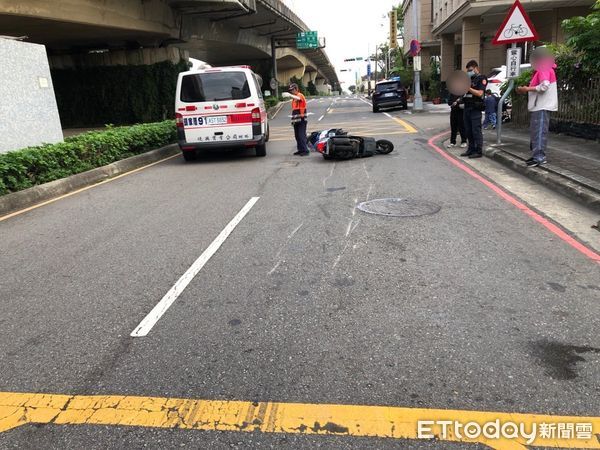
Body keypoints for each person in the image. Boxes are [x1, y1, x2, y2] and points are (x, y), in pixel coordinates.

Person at [516, 47, 558, 167]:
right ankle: (536, 155)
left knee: (539, 132)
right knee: (536, 131)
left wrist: (526, 89)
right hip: (539, 106)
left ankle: (539, 157)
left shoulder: (544, 68)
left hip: (542, 106)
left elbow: (544, 86)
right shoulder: (544, 68)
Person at [460, 60, 487, 159]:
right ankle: (471, 149)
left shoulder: (481, 78)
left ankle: (478, 150)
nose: (469, 72)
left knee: (476, 130)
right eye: (468, 71)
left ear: (476, 68)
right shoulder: (470, 79)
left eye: (470, 70)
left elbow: (480, 93)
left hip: (475, 108)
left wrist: (469, 88)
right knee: (468, 130)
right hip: (467, 107)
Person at [281, 83, 309, 156]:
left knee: (301, 135)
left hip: (302, 119)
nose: (291, 91)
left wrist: (290, 95)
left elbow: (299, 99)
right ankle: (300, 150)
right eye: (290, 90)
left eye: (292, 90)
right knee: (297, 135)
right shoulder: (294, 98)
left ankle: (305, 150)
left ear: (296, 89)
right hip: (296, 120)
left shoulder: (300, 95)